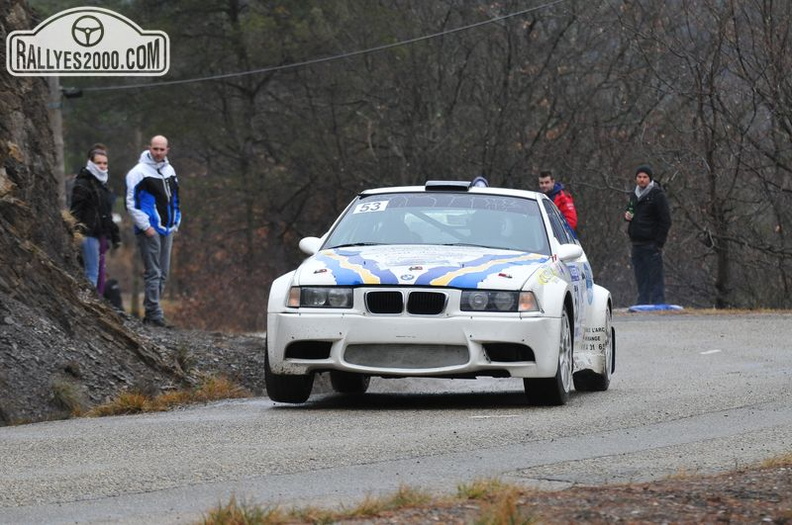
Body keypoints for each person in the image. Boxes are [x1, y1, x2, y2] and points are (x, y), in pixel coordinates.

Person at [125, 135, 181, 327]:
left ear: (167, 150)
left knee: (163, 272)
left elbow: (175, 198)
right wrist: (146, 226)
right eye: (155, 149)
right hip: (149, 229)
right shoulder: (138, 172)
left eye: (161, 149)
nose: (158, 152)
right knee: (153, 272)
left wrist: (176, 221)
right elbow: (130, 204)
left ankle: (152, 311)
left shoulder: (170, 170)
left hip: (168, 229)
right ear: (149, 148)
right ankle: (154, 314)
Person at [70, 145, 121, 294]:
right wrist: (76, 232)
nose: (103, 166)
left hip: (101, 235)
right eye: (99, 163)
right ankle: (88, 302)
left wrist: (114, 235)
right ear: (91, 163)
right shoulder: (83, 184)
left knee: (99, 272)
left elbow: (107, 214)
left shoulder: (102, 185)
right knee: (91, 272)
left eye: (105, 163)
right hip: (88, 234)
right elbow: (76, 210)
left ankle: (96, 300)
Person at [624, 164, 672, 305]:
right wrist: (627, 216)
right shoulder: (634, 195)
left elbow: (666, 220)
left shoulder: (657, 195)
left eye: (645, 177)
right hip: (636, 242)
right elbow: (631, 212)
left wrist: (659, 243)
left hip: (652, 243)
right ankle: (642, 302)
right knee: (640, 276)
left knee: (655, 276)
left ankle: (658, 302)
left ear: (650, 179)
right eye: (639, 177)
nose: (642, 180)